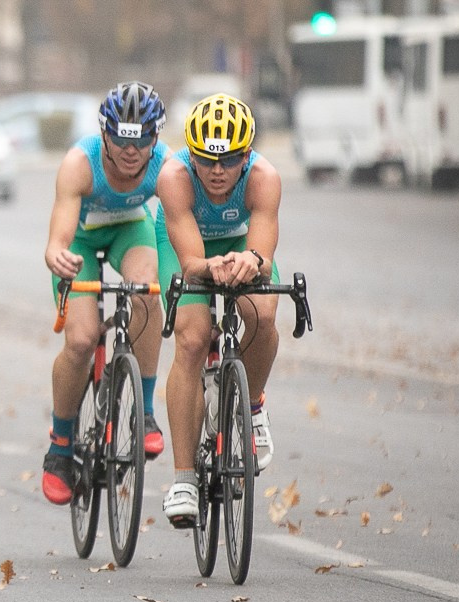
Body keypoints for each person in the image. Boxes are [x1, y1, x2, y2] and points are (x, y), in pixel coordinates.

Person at [155, 93, 284, 528]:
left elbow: (263, 249)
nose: (216, 171)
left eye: (228, 160)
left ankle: (251, 405)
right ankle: (184, 479)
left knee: (263, 315)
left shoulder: (264, 177)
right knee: (192, 339)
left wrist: (253, 260)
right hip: (185, 245)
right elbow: (191, 263)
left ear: (246, 155)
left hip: (238, 242)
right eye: (205, 161)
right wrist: (209, 266)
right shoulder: (174, 177)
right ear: (190, 155)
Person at [39, 82, 169, 506]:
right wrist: (57, 256)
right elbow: (58, 237)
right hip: (80, 241)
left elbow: (181, 223)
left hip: (130, 230)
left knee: (148, 294)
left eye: (142, 140)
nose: (131, 152)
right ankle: (60, 446)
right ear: (105, 135)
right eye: (120, 140)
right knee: (80, 339)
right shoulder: (80, 163)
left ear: (156, 137)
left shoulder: (165, 166)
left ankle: (145, 411)